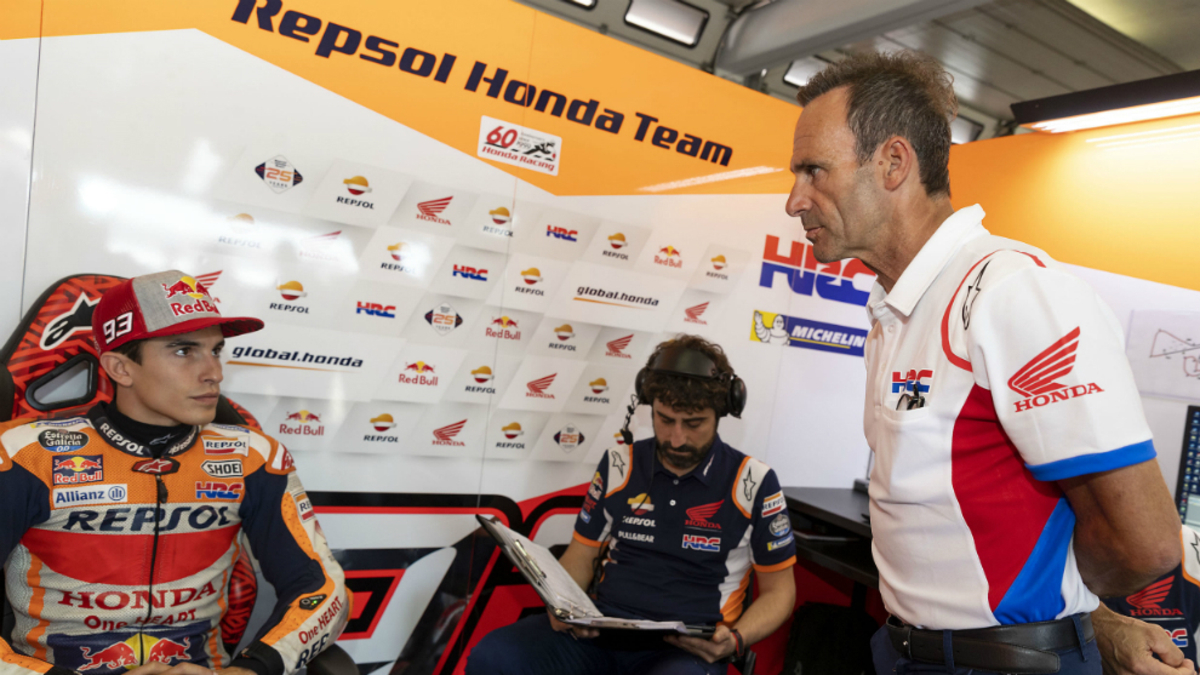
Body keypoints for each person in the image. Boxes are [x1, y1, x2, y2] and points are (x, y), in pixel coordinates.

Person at [786, 51, 1186, 675]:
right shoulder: (895, 308)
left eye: (813, 171)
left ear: (893, 163)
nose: (794, 201)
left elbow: (1144, 542)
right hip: (907, 651)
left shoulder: (1010, 292)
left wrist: (1065, 619)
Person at [0, 270, 348, 675]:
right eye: (184, 351)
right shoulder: (23, 455)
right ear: (120, 368)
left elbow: (323, 588)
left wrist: (250, 670)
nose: (214, 372)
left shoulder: (253, 457)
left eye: (216, 350)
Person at [466, 335, 797, 675]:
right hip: (602, 633)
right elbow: (580, 557)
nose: (677, 438)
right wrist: (562, 605)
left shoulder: (754, 481)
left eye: (693, 423)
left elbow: (780, 593)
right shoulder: (619, 463)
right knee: (493, 657)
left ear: (721, 412)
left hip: (689, 651)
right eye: (665, 419)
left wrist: (736, 639)